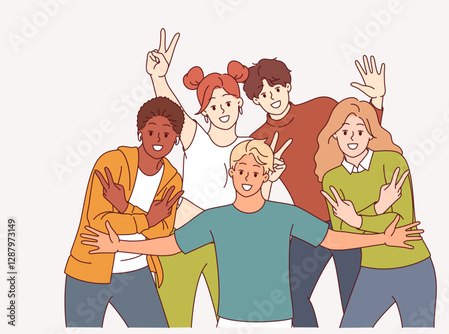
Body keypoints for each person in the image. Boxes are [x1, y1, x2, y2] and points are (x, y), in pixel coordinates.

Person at [81, 139, 424, 328]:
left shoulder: (286, 216)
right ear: (231, 173)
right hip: (230, 322)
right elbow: (172, 245)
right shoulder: (215, 219)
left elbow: (332, 239)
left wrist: (382, 238)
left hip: (278, 322)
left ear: (266, 177)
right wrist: (121, 244)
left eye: (256, 171)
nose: (247, 176)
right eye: (241, 169)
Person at [144, 29, 291, 327]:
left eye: (227, 103)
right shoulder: (194, 136)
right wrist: (159, 77)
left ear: (239, 105)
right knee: (174, 318)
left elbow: (263, 204)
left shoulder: (252, 147)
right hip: (184, 238)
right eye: (213, 106)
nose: (222, 110)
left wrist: (271, 178)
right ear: (205, 113)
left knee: (234, 319)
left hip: (229, 248)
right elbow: (174, 108)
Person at [243, 56, 385, 326]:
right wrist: (269, 177)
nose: (272, 97)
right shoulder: (257, 140)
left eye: (276, 88)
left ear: (287, 86)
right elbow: (254, 196)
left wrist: (376, 101)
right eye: (263, 94)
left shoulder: (322, 108)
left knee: (355, 299)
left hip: (347, 218)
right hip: (307, 226)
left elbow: (364, 131)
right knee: (290, 294)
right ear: (255, 101)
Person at [64, 97, 184, 327]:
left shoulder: (172, 179)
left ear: (176, 138)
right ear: (140, 133)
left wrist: (125, 207)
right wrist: (147, 219)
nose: (158, 139)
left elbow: (162, 232)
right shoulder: (112, 163)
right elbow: (99, 222)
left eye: (166, 134)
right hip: (89, 269)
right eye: (151, 132)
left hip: (136, 272)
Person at [315, 97, 436, 327]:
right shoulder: (332, 178)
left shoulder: (392, 162)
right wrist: (379, 208)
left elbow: (402, 222)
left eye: (360, 131)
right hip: (371, 271)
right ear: (334, 136)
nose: (352, 138)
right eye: (345, 131)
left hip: (414, 266)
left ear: (371, 135)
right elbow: (343, 235)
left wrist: (357, 219)